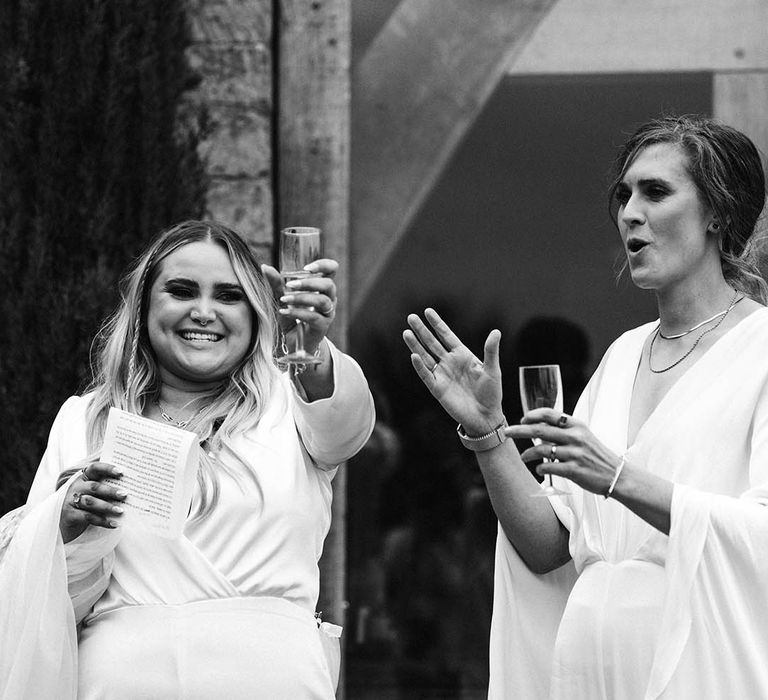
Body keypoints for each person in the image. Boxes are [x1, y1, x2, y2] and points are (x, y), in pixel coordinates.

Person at [403, 115, 768, 698]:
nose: (629, 212)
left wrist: (620, 477)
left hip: (696, 664)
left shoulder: (761, 351)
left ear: (719, 214)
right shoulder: (623, 355)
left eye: (655, 192)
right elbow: (550, 546)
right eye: (624, 195)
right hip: (587, 671)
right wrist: (489, 433)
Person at [0, 220, 375, 699]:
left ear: (256, 312)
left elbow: (347, 427)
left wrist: (310, 347)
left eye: (228, 295)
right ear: (144, 306)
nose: (203, 312)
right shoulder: (84, 420)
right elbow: (32, 600)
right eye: (181, 291)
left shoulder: (291, 403)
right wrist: (62, 524)